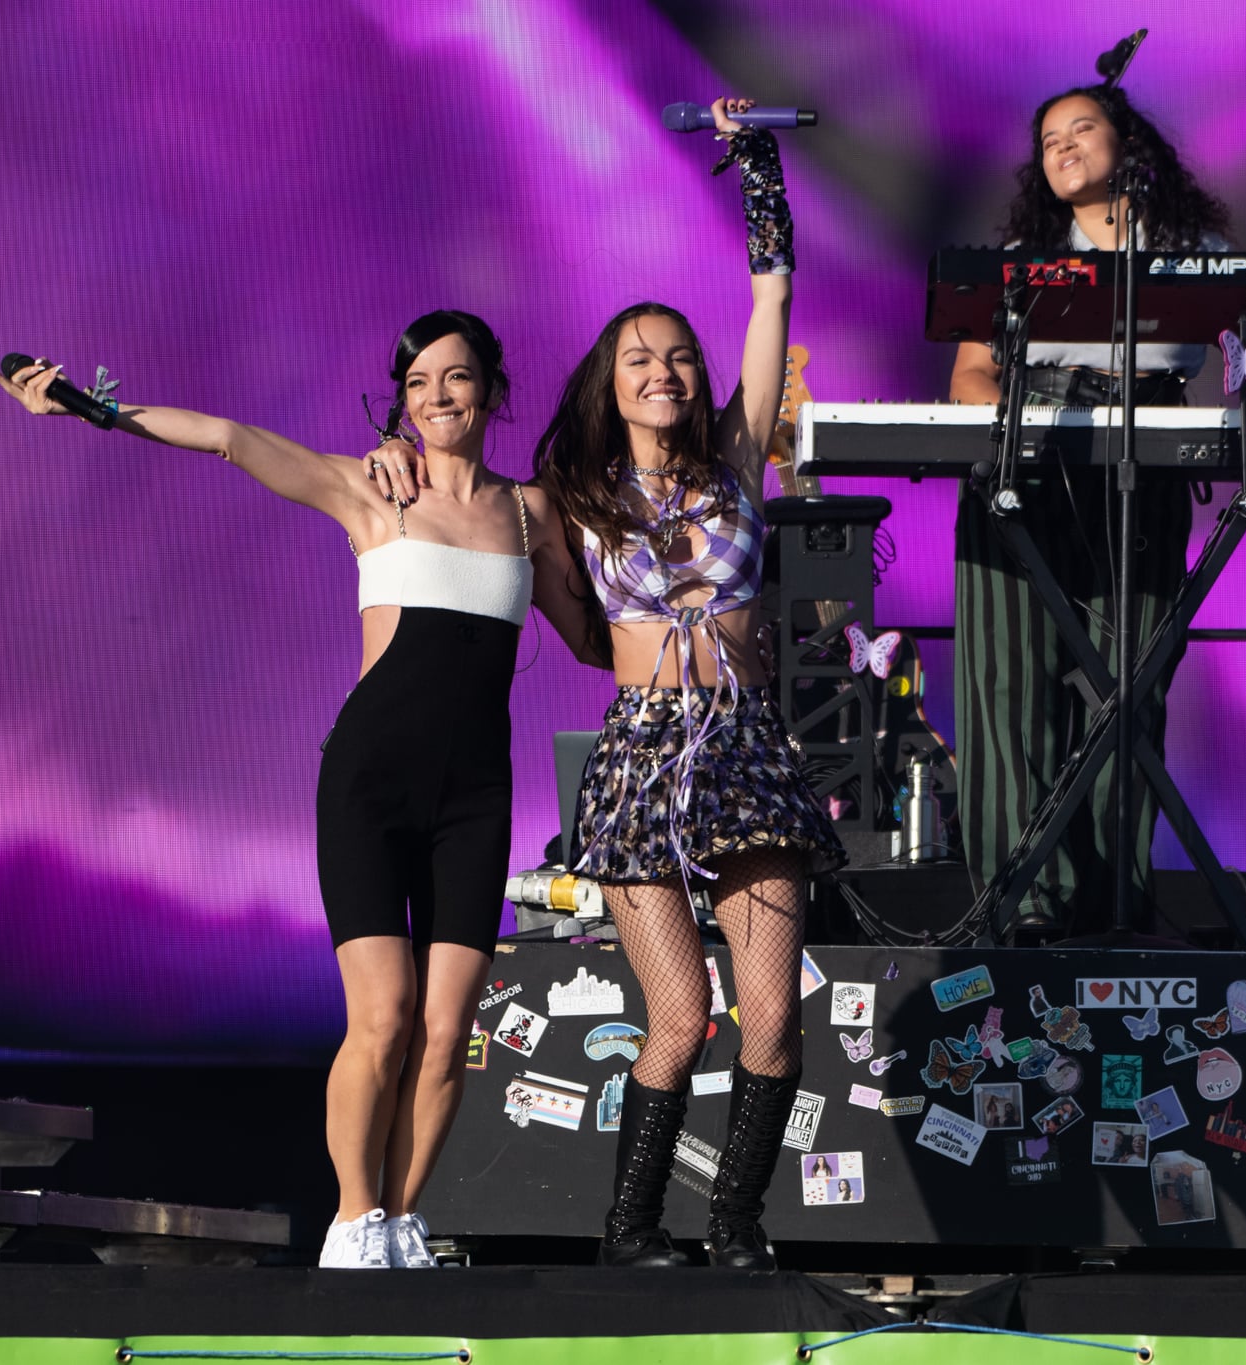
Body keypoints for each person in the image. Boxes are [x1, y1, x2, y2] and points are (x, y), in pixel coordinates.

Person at [0, 311, 595, 1270]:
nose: (438, 398)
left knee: (448, 1033)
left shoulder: (529, 513)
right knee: (385, 1017)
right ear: (400, 398)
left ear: (493, 390)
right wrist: (91, 410)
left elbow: (598, 640)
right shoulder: (371, 488)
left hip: (477, 798)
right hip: (368, 785)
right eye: (420, 383)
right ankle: (353, 1220)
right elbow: (231, 440)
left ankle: (401, 1219)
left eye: (458, 378)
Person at [533, 97, 845, 1270]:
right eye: (638, 359)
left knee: (770, 1016)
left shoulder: (736, 462)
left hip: (746, 741)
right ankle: (628, 1234)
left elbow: (771, 298)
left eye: (676, 356)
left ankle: (736, 1226)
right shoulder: (571, 500)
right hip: (642, 751)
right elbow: (573, 631)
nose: (662, 370)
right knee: (679, 1017)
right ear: (608, 386)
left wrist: (755, 166)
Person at [949, 83, 1246, 929]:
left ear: (1129, 145)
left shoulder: (1200, 249)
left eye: (1082, 129)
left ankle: (1114, 900)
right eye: (1048, 139)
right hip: (1026, 467)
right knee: (1008, 687)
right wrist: (1001, 432)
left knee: (1131, 692)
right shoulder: (1025, 253)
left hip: (1148, 465)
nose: (1062, 146)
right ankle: (1021, 901)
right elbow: (968, 375)